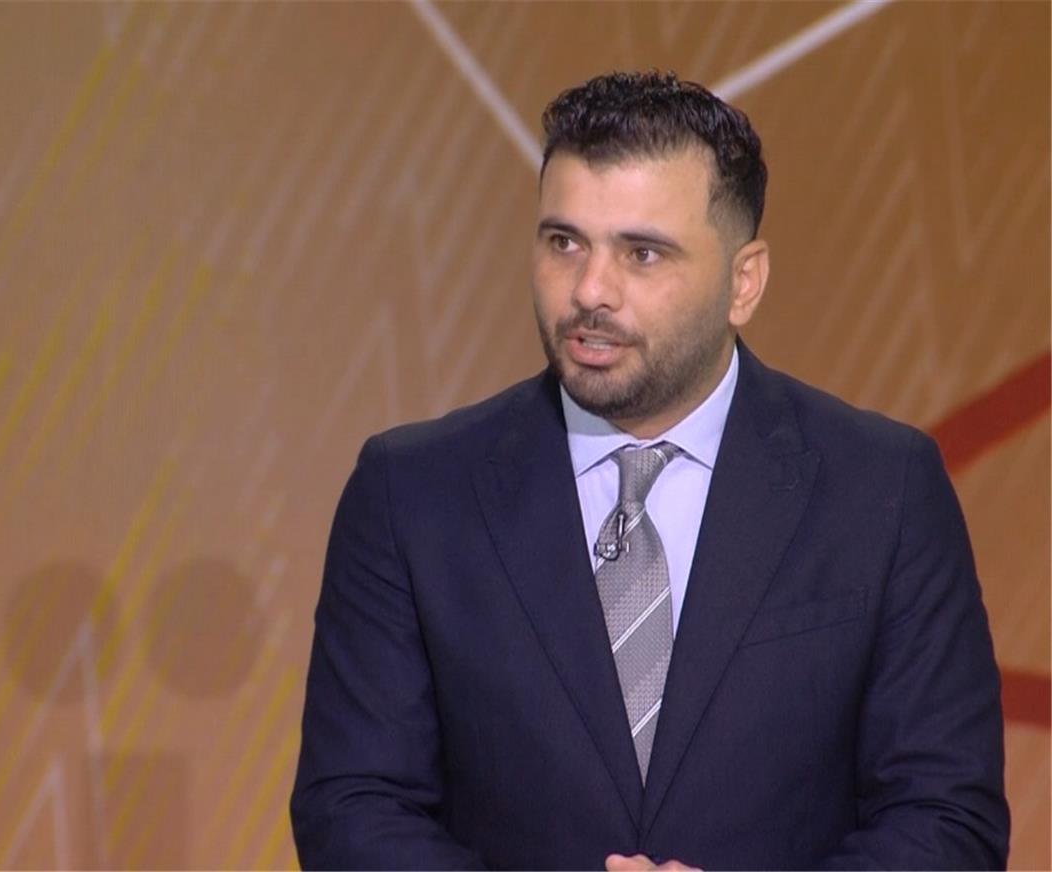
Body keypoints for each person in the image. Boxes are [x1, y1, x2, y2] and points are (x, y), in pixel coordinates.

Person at [290, 70, 1008, 870]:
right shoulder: (412, 493)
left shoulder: (882, 490)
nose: (590, 291)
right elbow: (353, 810)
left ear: (744, 282)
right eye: (564, 242)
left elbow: (947, 819)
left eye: (642, 253)